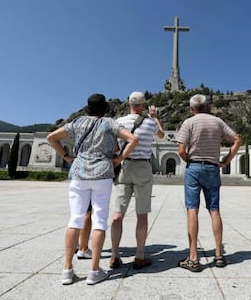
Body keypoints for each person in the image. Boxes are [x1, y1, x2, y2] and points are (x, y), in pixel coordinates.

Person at [47, 93, 138, 285]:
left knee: (75, 218)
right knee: (99, 220)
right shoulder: (110, 123)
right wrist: (119, 159)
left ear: (88, 108)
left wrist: (66, 156)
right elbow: (132, 139)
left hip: (79, 174)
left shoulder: (78, 122)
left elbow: (51, 137)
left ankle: (67, 269)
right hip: (102, 174)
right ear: (104, 108)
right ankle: (94, 270)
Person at [176, 94, 241, 271]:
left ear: (191, 109)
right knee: (214, 210)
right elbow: (237, 139)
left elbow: (181, 150)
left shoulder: (188, 123)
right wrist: (226, 160)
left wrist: (190, 159)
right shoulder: (218, 122)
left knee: (192, 210)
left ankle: (193, 258)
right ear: (207, 106)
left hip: (194, 168)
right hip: (213, 168)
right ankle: (219, 256)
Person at [110, 91, 164, 269]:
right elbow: (162, 135)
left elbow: (114, 144)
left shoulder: (119, 122)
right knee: (142, 214)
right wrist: (155, 117)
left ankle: (115, 256)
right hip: (142, 167)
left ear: (128, 104)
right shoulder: (149, 122)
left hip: (124, 166)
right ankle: (140, 255)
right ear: (143, 106)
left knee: (118, 214)